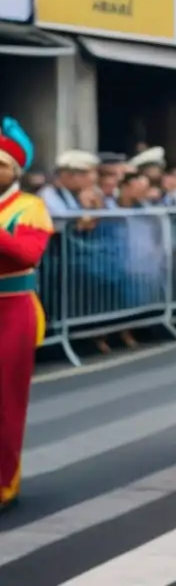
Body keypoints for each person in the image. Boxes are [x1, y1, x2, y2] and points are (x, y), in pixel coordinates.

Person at [0, 117, 53, 513]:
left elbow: (27, 254)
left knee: (6, 399)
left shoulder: (31, 206)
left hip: (14, 310)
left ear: (15, 171)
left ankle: (5, 481)